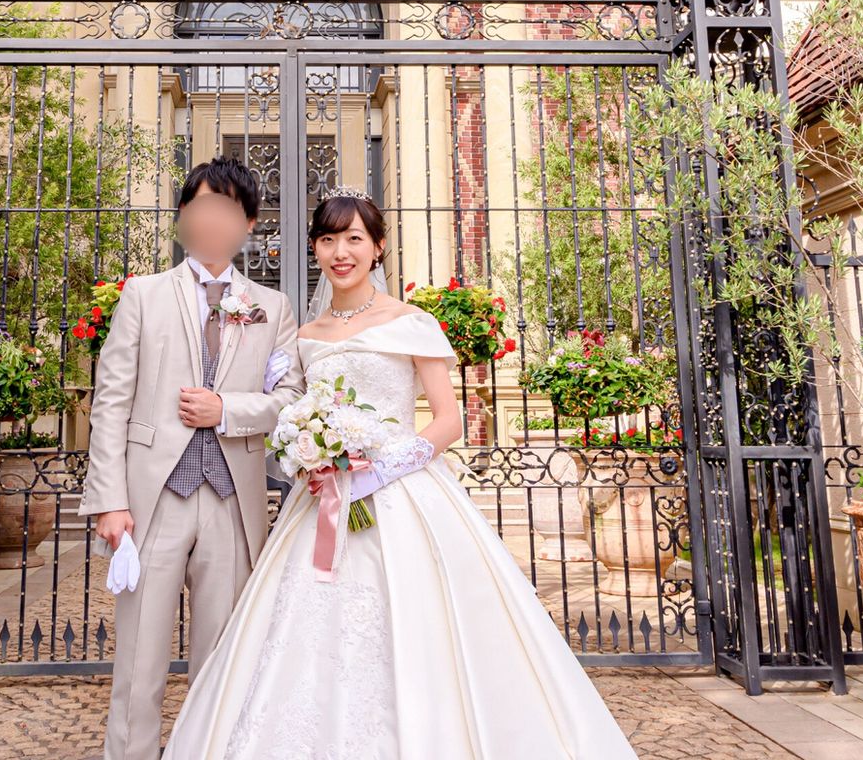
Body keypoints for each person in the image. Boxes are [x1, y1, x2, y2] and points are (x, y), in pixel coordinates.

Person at [163, 187, 638, 759]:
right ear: (315, 249)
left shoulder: (412, 322)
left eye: (354, 239)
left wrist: (380, 470)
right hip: (323, 498)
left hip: (404, 495)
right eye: (328, 239)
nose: (341, 252)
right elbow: (291, 408)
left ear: (379, 247)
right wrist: (310, 451)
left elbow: (448, 421)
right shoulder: (305, 337)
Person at [76, 157, 305, 760]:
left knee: (220, 662)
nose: (211, 219)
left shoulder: (272, 307)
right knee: (138, 661)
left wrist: (227, 409)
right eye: (200, 206)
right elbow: (111, 402)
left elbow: (290, 399)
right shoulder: (143, 295)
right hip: (153, 502)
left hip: (231, 501)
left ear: (248, 223)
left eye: (226, 208)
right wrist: (110, 501)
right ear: (183, 216)